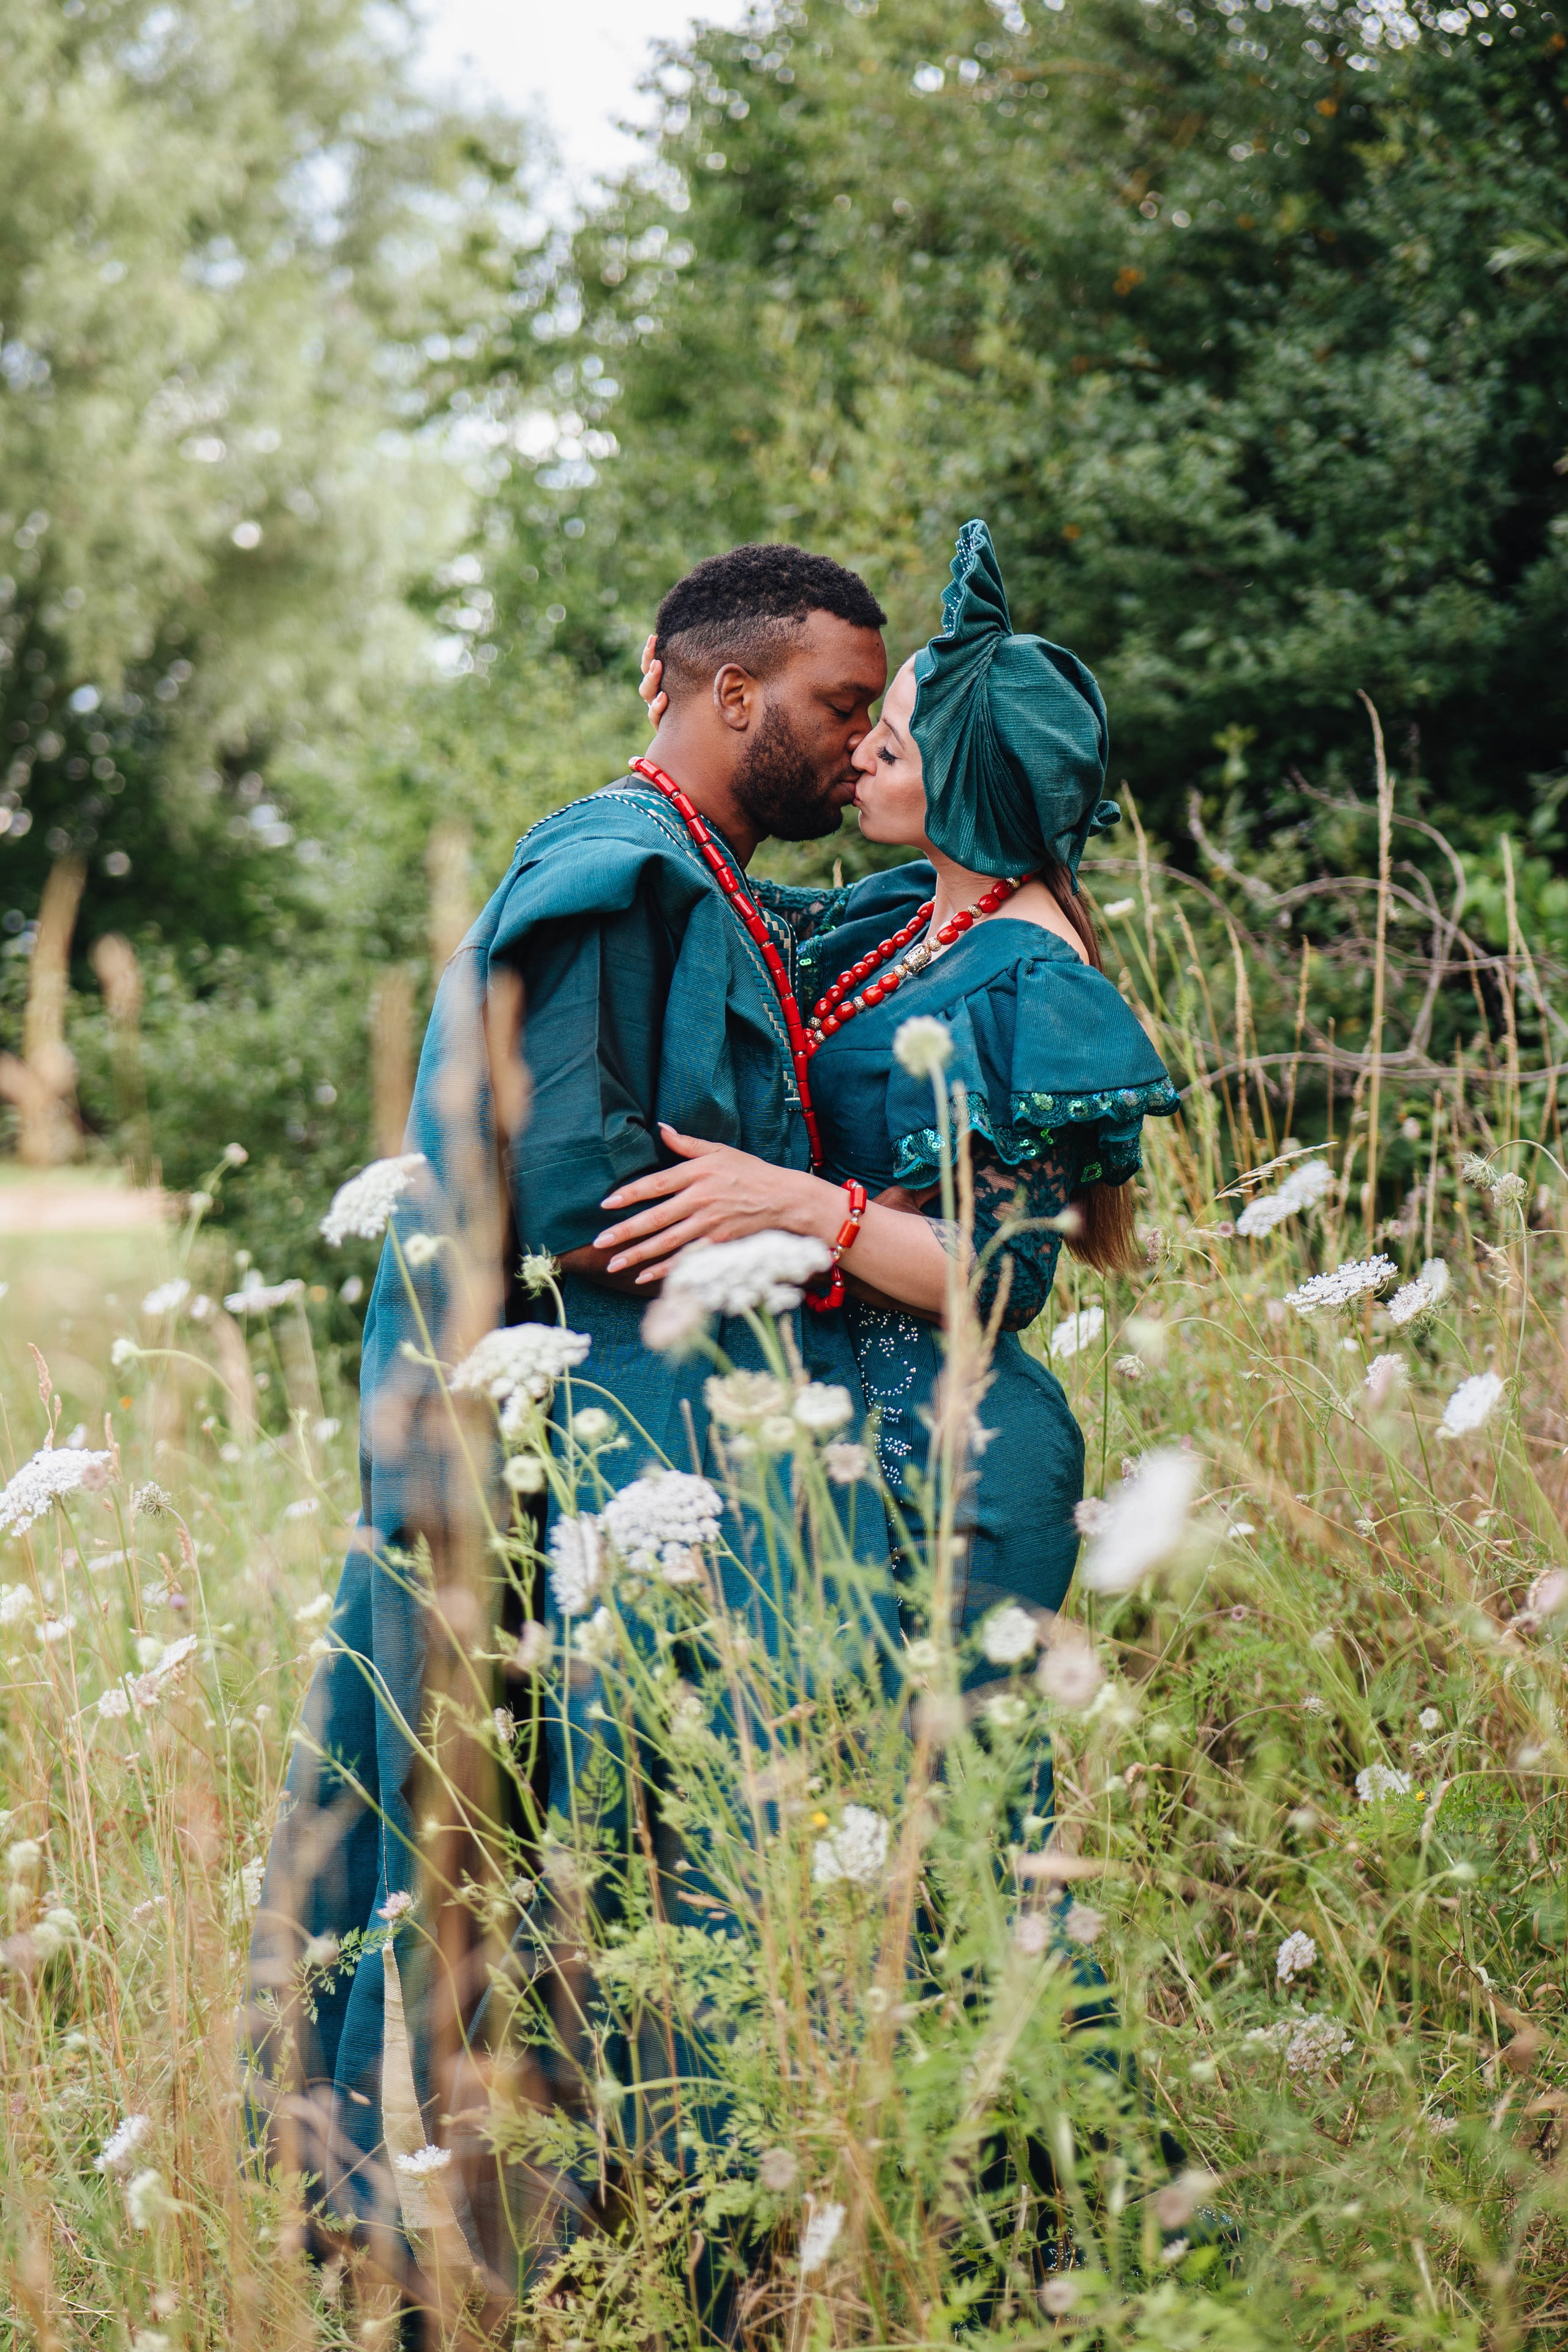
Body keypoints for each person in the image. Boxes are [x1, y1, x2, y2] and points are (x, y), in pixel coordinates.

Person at [247, 543, 893, 2266]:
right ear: (727, 690)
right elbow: (562, 1185)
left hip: (613, 1449)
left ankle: (622, 2224)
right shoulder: (615, 869)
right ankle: (471, 2249)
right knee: (507, 1852)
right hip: (541, 1463)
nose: (860, 738)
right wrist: (812, 1243)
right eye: (840, 705)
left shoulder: (704, 870)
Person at [598, 518, 1179, 1642]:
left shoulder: (1030, 980)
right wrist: (676, 707)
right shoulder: (907, 919)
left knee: (943, 1799)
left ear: (964, 787)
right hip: (840, 1438)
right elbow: (712, 892)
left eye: (896, 748)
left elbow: (1007, 1279)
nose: (861, 753)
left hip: (951, 1463)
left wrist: (806, 1207)